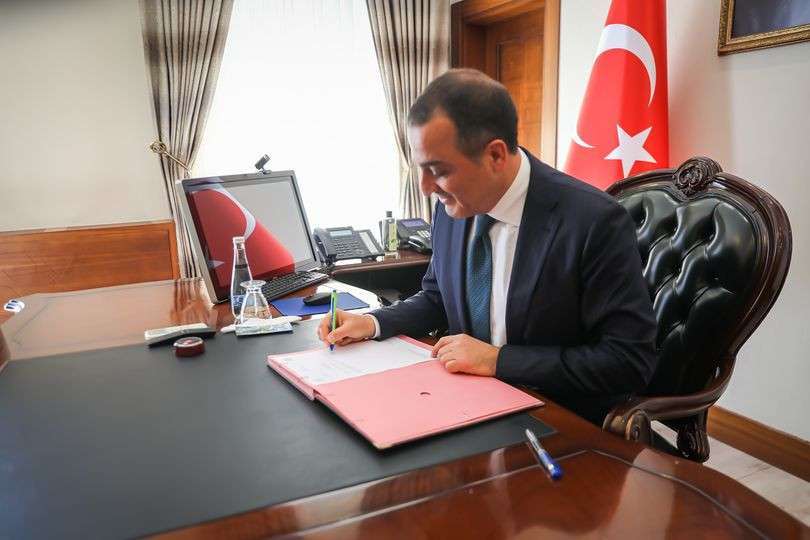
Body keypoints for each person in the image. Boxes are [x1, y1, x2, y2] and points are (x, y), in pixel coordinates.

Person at [317, 68, 657, 425]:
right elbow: (437, 298)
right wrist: (372, 322)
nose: (425, 187)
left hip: (554, 416)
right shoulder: (451, 205)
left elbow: (628, 361)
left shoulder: (592, 221)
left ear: (495, 155)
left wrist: (498, 360)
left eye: (438, 170)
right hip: (465, 402)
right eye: (420, 169)